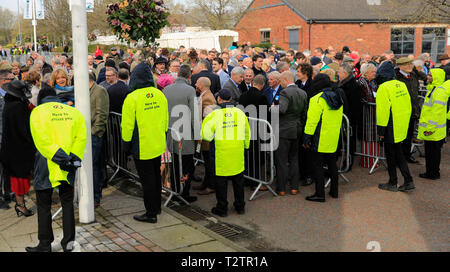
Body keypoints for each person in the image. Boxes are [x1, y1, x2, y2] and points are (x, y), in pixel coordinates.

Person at [26, 87, 87, 252]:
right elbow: (81, 137)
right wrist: (72, 157)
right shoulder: (73, 112)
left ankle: (45, 244)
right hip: (68, 163)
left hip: (46, 163)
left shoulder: (37, 112)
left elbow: (41, 140)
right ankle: (68, 243)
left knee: (44, 205)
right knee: (67, 203)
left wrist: (59, 156)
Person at [122, 63, 168, 224]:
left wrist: (125, 145)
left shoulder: (132, 98)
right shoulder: (159, 94)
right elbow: (165, 120)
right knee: (156, 177)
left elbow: (127, 125)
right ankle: (157, 208)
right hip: (157, 142)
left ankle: (150, 213)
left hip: (141, 145)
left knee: (147, 180)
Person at [202, 89, 250, 217]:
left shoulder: (214, 114)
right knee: (238, 181)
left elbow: (205, 135)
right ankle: (240, 206)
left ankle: (222, 208)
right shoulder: (240, 113)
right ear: (230, 99)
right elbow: (247, 131)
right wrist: (246, 145)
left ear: (219, 99)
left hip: (221, 153)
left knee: (221, 182)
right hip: (237, 151)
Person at [376, 61, 414, 193]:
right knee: (399, 154)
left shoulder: (383, 87)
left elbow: (382, 111)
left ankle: (393, 182)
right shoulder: (401, 84)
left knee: (391, 155)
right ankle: (408, 180)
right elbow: (408, 105)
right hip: (401, 125)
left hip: (389, 126)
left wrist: (380, 130)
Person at [303, 78, 344, 202]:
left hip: (319, 137)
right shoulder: (338, 97)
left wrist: (306, 138)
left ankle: (320, 193)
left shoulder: (317, 99)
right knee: (332, 165)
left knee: (318, 166)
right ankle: (334, 191)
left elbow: (311, 122)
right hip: (333, 136)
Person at [163, 65, 199, 204]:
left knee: (174, 164)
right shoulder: (190, 90)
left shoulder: (166, 89)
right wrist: (197, 136)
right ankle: (184, 193)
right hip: (185, 135)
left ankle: (176, 189)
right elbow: (194, 115)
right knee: (187, 164)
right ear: (189, 76)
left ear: (178, 74)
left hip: (170, 132)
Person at [0, 80, 36, 216]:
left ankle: (20, 204)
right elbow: (24, 130)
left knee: (17, 178)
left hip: (11, 149)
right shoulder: (18, 107)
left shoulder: (9, 105)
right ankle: (21, 205)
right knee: (20, 179)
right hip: (19, 150)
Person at [275, 71, 308, 195]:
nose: (280, 84)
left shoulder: (284, 92)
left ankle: (282, 188)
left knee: (282, 160)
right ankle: (294, 187)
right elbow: (304, 113)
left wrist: (272, 108)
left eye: (281, 81)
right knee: (294, 158)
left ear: (285, 80)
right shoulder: (303, 92)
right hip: (297, 129)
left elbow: (282, 109)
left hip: (284, 130)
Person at [394, 57, 428, 163]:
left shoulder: (413, 75)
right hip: (401, 111)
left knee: (409, 135)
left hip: (412, 110)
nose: (409, 66)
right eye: (406, 64)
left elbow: (425, 78)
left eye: (410, 64)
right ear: (399, 66)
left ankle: (406, 156)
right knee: (400, 137)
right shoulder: (396, 77)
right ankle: (398, 159)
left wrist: (416, 70)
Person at [417, 68, 448, 180]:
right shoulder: (434, 89)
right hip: (435, 129)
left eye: (430, 75)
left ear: (436, 77)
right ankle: (433, 172)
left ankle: (432, 173)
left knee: (432, 153)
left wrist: (430, 128)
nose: (428, 77)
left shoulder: (438, 91)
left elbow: (436, 112)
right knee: (432, 152)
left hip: (433, 129)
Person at [192, 77, 217, 195]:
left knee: (209, 162)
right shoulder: (205, 95)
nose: (195, 84)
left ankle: (211, 185)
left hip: (207, 136)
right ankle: (206, 183)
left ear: (201, 85)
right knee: (207, 161)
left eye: (197, 83)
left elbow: (209, 119)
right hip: (205, 135)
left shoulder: (208, 98)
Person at [89, 73, 110, 207]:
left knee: (94, 166)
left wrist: (95, 132)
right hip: (84, 134)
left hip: (94, 135)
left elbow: (101, 114)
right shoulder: (84, 90)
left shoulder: (99, 91)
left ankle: (96, 196)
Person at [338, 63, 364, 170]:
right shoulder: (344, 83)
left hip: (350, 119)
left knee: (349, 142)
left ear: (345, 73)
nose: (338, 74)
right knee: (346, 141)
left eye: (339, 72)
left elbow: (355, 105)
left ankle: (348, 162)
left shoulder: (353, 86)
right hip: (345, 118)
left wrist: (349, 118)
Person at [358, 63, 379, 169]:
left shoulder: (373, 82)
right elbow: (363, 99)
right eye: (372, 71)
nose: (375, 73)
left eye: (375, 71)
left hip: (374, 113)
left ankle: (374, 160)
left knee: (375, 136)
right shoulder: (361, 82)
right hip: (366, 115)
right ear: (365, 73)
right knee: (367, 137)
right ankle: (367, 161)